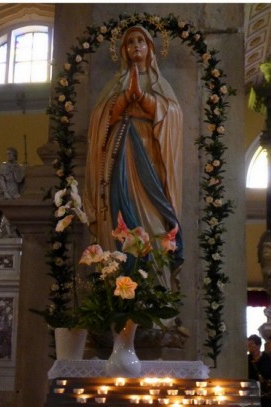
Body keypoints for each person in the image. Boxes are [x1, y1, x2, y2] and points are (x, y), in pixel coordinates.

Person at [85, 26, 184, 282]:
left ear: (150, 48)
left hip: (150, 153)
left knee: (153, 217)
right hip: (118, 154)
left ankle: (154, 283)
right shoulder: (115, 84)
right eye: (130, 42)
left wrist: (143, 97)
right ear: (124, 51)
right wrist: (124, 98)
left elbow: (173, 117)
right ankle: (119, 281)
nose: (135, 46)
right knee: (118, 212)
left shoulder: (159, 83)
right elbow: (100, 122)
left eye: (141, 41)